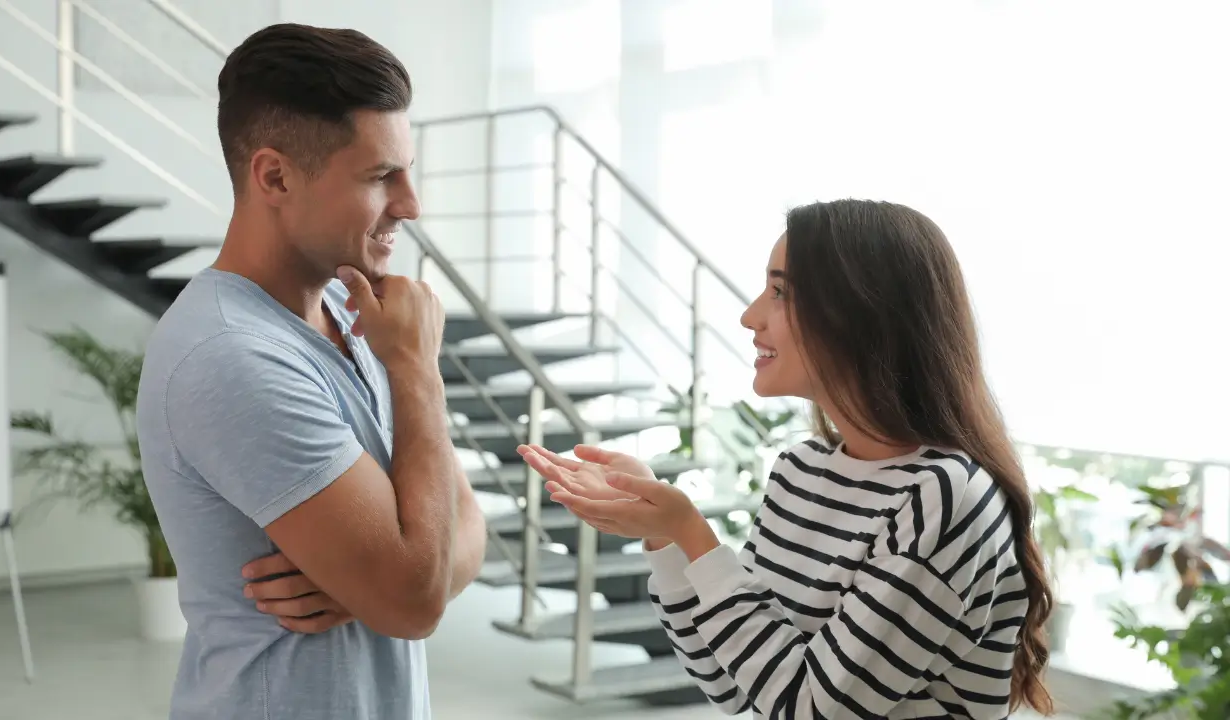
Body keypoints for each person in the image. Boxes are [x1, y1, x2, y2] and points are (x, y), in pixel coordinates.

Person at [518, 199, 1054, 719]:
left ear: (859, 313)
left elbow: (812, 710)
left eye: (780, 292)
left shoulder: (943, 496)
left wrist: (692, 532)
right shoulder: (800, 472)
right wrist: (664, 534)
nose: (750, 316)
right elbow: (729, 682)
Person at [136, 23, 486, 720]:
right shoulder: (231, 355)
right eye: (381, 175)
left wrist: (384, 576)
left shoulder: (351, 312)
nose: (412, 203)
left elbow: (465, 528)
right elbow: (413, 601)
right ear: (275, 175)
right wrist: (417, 372)